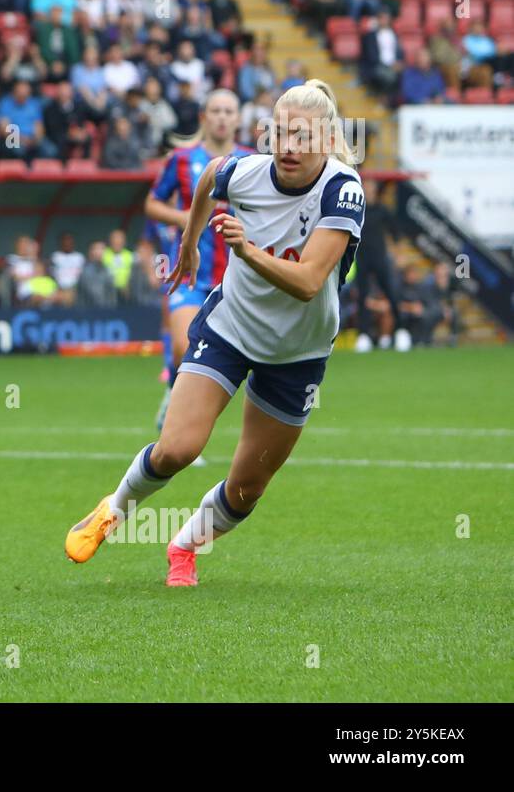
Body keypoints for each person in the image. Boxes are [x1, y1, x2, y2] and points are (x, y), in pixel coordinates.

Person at [66, 79, 367, 587]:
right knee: (177, 449)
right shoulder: (246, 172)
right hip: (230, 328)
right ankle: (112, 511)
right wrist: (191, 243)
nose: (290, 147)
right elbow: (209, 176)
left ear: (326, 138)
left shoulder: (342, 191)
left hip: (299, 352)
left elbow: (310, 282)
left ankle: (183, 547)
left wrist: (247, 251)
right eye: (282, 134)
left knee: (249, 487)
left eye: (304, 137)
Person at [143, 89, 250, 449]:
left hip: (235, 275)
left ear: (238, 119)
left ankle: (180, 422)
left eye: (229, 111)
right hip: (189, 271)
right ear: (204, 116)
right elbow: (152, 205)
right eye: (216, 110)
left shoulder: (252, 161)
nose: (222, 117)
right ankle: (177, 428)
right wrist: (189, 219)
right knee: (183, 347)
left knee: (228, 358)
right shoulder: (183, 160)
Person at [352, 179, 411, 352]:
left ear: (376, 191)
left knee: (391, 294)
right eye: (366, 188)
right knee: (362, 297)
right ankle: (363, 336)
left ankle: (400, 331)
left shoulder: (382, 210)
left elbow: (396, 234)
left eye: (371, 188)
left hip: (380, 258)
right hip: (361, 258)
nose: (368, 191)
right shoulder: (357, 210)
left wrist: (399, 255)